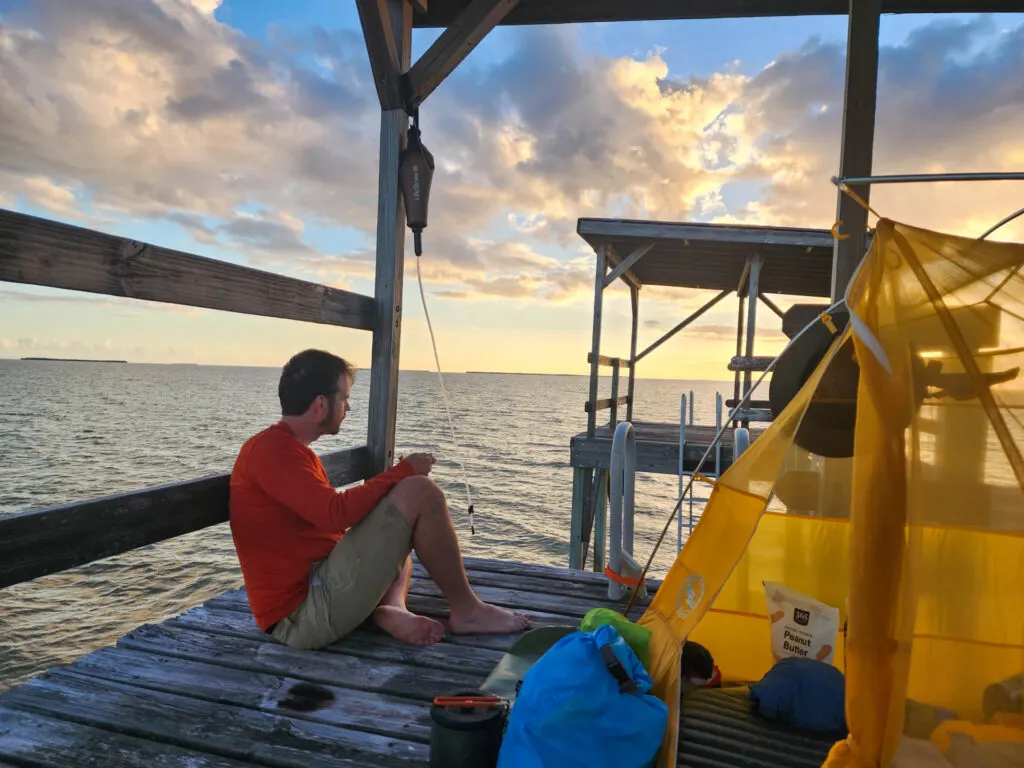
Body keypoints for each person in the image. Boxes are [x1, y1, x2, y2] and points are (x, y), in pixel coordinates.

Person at [228, 349, 530, 650]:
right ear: (321, 404)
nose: (348, 407)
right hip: (300, 617)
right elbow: (335, 514)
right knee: (421, 493)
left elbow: (331, 519)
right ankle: (468, 612)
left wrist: (394, 496)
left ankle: (392, 609)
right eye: (344, 397)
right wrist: (404, 472)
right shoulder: (272, 451)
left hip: (319, 587)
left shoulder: (286, 448)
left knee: (402, 539)